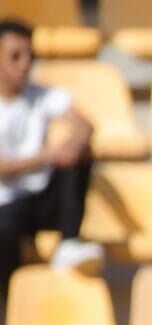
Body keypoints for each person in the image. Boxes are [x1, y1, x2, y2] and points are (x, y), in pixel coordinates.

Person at [0, 18, 99, 309]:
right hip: (5, 206)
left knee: (81, 154)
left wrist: (72, 146)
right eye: (15, 56)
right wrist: (46, 156)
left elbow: (85, 126)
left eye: (30, 56)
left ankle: (69, 242)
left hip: (42, 199)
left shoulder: (42, 95)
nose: (24, 64)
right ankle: (10, 307)